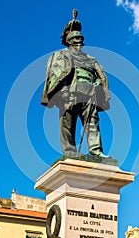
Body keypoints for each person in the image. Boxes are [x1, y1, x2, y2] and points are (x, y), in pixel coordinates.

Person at [41, 10, 110, 157]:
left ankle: (96, 151)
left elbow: (99, 75)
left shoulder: (90, 58)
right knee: (67, 125)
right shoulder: (60, 55)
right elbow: (57, 73)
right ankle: (70, 152)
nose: (79, 41)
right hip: (70, 92)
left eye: (80, 39)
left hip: (90, 93)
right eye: (75, 39)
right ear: (69, 41)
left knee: (92, 123)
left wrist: (98, 83)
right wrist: (62, 91)